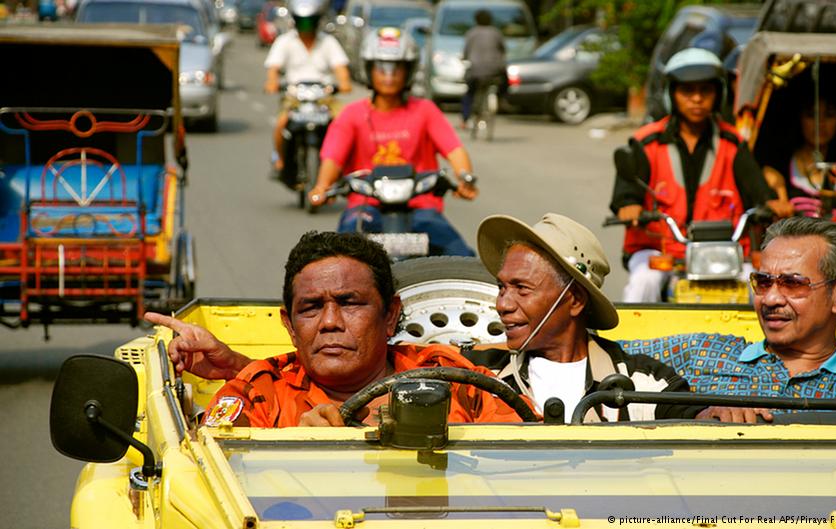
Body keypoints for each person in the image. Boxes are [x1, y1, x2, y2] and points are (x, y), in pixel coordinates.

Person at [145, 231, 521, 427]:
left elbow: (528, 460)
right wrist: (304, 450)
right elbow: (212, 492)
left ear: (390, 315)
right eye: (310, 308)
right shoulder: (257, 393)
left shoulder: (453, 378)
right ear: (289, 326)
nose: (328, 322)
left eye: (349, 302)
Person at [620, 216, 836, 421]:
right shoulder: (703, 354)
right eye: (763, 282)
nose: (770, 299)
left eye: (792, 283)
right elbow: (602, 353)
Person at [468, 213, 751, 423]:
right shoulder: (476, 374)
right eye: (502, 288)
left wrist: (717, 414)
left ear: (575, 300)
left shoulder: (646, 381)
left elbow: (692, 419)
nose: (502, 304)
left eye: (521, 289)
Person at [609, 47, 785, 303]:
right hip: (660, 249)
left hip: (721, 254)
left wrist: (772, 204)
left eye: (705, 90)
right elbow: (626, 191)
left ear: (718, 94)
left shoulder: (733, 144)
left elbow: (757, 189)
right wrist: (629, 206)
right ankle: (630, 344)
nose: (697, 99)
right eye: (687, 91)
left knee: (756, 287)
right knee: (643, 283)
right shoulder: (646, 143)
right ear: (672, 94)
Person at [306, 27, 478, 257]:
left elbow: (454, 149)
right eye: (382, 67)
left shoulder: (425, 111)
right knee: (340, 260)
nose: (389, 75)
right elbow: (333, 158)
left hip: (421, 209)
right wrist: (322, 185)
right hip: (365, 207)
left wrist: (464, 176)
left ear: (408, 71)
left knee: (464, 260)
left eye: (397, 67)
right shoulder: (351, 115)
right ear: (369, 69)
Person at [264, 0, 352, 178]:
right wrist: (272, 82)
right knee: (281, 124)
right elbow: (273, 69)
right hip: (294, 97)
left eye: (309, 21)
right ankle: (280, 159)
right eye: (302, 22)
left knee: (344, 123)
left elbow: (341, 69)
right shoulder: (285, 41)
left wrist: (344, 83)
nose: (306, 26)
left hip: (324, 98)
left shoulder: (328, 42)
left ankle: (344, 165)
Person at [763, 94, 836, 219]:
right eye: (812, 115)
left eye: (829, 115)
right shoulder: (780, 166)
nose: (820, 123)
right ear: (799, 118)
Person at [460, 9, 506, 129]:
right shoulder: (496, 33)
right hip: (494, 70)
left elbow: (465, 53)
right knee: (504, 83)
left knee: (469, 93)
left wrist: (464, 58)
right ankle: (502, 101)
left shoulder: (471, 33)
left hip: (475, 71)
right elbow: (503, 50)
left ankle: (465, 119)